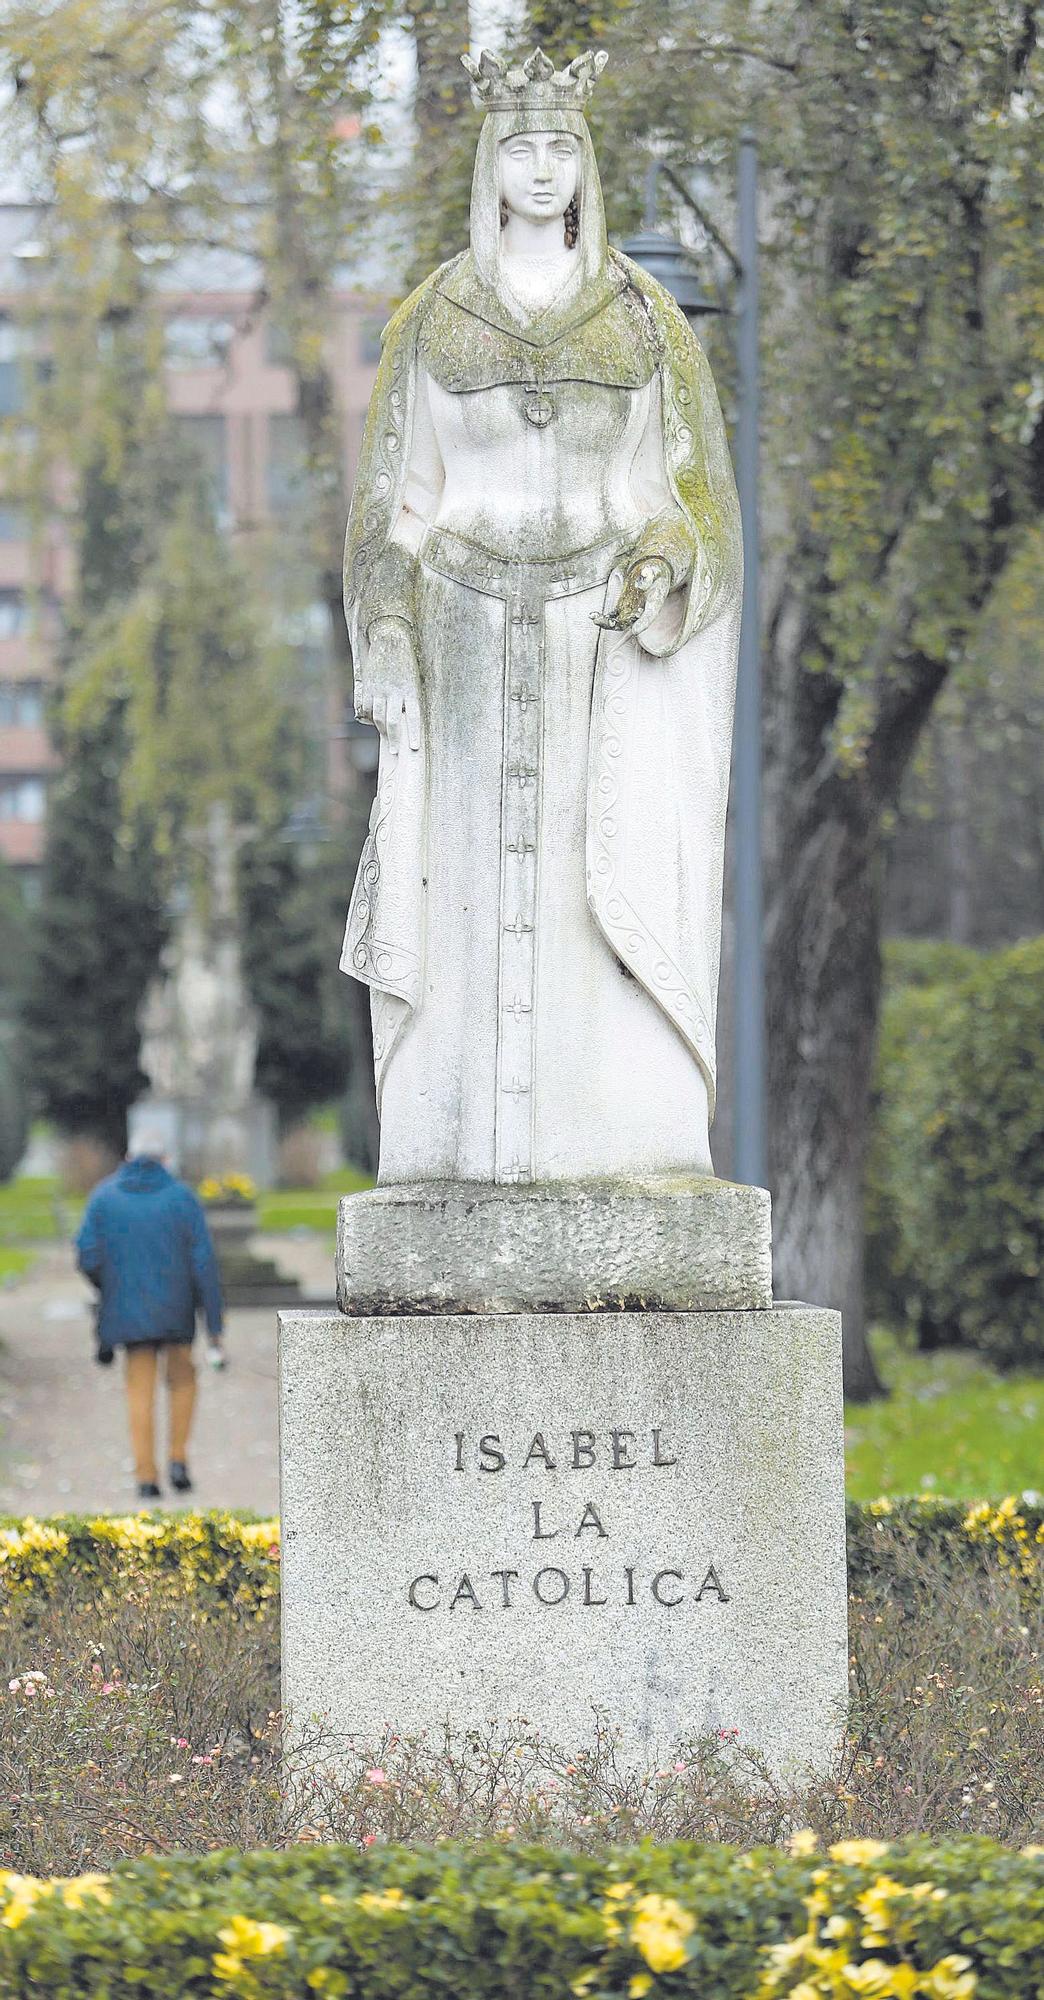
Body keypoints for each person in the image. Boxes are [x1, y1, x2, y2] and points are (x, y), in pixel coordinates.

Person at [340, 47, 742, 1188]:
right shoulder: (430, 318)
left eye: (563, 146)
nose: (544, 168)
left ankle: (616, 1147)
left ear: (588, 162)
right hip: (464, 632)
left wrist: (667, 558)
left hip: (600, 647)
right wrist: (385, 620)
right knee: (463, 901)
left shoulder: (647, 317)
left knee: (592, 892)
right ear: (489, 160)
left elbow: (694, 495)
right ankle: (455, 1151)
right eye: (522, 145)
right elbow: (392, 508)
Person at [76, 1137, 225, 1500]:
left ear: (128, 1155)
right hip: (177, 1311)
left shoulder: (104, 1196)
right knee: (183, 1382)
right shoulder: (182, 1197)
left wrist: (108, 1286)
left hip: (128, 1313)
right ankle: (178, 1459)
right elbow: (203, 1263)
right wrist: (215, 1325)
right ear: (165, 1158)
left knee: (138, 1391)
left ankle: (146, 1476)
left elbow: (87, 1254)